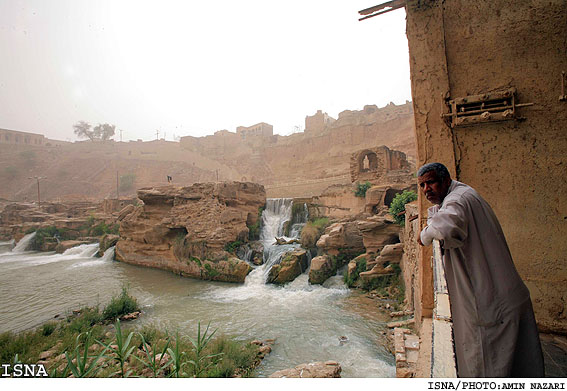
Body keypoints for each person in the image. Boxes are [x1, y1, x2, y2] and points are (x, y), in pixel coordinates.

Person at [417, 162, 544, 377]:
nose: (426, 190)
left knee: (487, 368)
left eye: (431, 182)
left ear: (446, 180)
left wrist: (423, 235)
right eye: (422, 185)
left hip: (490, 305)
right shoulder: (465, 193)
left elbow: (445, 228)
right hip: (502, 296)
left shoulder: (457, 199)